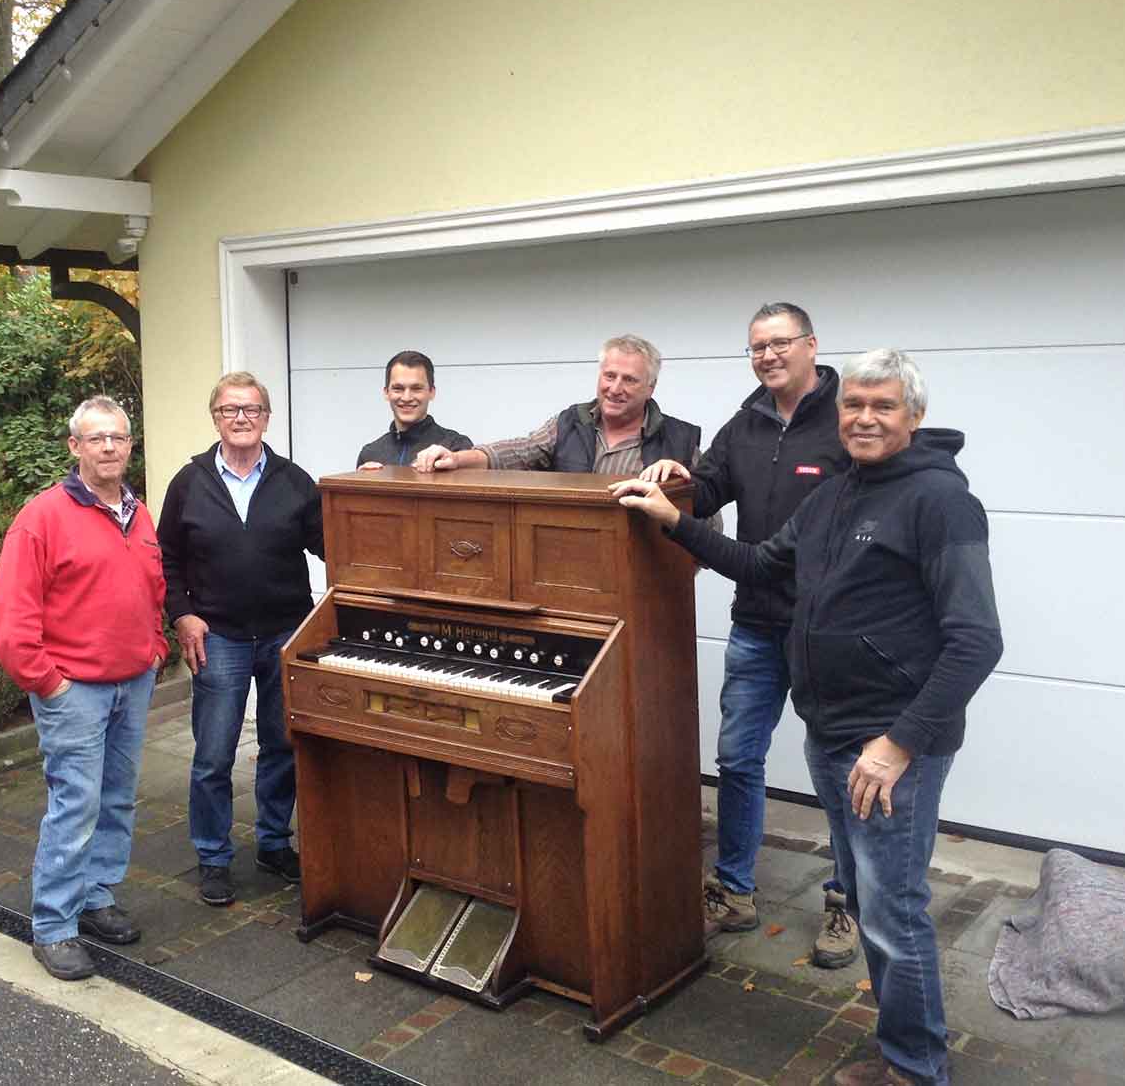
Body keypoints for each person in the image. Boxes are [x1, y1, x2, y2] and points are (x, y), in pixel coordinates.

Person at [611, 349, 1003, 1086]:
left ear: (914, 416)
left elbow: (977, 639)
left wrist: (897, 744)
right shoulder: (832, 497)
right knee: (867, 898)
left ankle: (917, 1069)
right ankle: (903, 1050)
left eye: (883, 406)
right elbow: (761, 564)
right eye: (854, 404)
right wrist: (673, 522)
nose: (864, 418)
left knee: (893, 910)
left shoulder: (940, 502)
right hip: (832, 735)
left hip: (888, 747)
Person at [641, 303, 857, 966]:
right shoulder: (745, 423)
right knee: (737, 758)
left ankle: (848, 900)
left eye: (779, 342)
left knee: (840, 770)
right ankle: (734, 889)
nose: (767, 355)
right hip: (757, 625)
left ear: (811, 345)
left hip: (826, 630)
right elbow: (708, 490)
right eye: (757, 347)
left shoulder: (846, 422)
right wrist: (679, 478)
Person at [0, 396, 168, 982]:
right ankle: (54, 925)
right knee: (76, 805)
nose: (109, 447)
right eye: (96, 439)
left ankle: (95, 897)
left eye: (118, 437)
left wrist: (155, 648)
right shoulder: (41, 518)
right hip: (75, 693)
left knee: (116, 799)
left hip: (132, 683)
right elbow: (12, 617)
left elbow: (152, 588)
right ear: (75, 447)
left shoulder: (138, 513)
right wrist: (49, 682)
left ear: (129, 445)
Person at [157, 372, 325, 907]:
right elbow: (166, 559)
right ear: (216, 419)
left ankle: (274, 843)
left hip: (284, 634)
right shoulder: (189, 483)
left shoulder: (295, 482)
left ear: (267, 419)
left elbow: (334, 545)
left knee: (282, 745)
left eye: (251, 409)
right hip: (218, 636)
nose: (241, 418)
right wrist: (182, 615)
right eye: (230, 409)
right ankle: (213, 857)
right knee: (213, 755)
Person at [413, 334, 700, 475]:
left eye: (629, 380)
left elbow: (705, 522)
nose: (615, 389)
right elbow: (518, 451)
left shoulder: (680, 442)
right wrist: (457, 459)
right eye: (609, 376)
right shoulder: (570, 422)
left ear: (651, 388)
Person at [356, 350, 473, 469]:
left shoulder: (455, 447)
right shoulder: (370, 454)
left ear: (432, 392)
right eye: (398, 388)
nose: (406, 398)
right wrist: (359, 480)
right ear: (386, 393)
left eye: (416, 388)